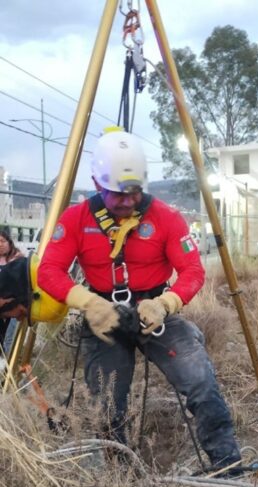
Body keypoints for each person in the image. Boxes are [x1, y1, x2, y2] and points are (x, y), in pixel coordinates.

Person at [36, 128, 241, 469]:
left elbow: (192, 271)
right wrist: (88, 303)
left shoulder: (166, 217)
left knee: (200, 379)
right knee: (107, 405)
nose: (130, 200)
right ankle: (122, 479)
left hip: (154, 311)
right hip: (104, 318)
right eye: (119, 193)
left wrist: (166, 304)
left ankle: (227, 461)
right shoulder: (76, 219)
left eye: (135, 191)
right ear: (97, 184)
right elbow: (48, 271)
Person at [0, 229, 25, 353]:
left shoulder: (18, 259)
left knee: (11, 337)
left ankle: (10, 366)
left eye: (2, 241)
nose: (0, 244)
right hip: (2, 305)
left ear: (9, 242)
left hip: (16, 303)